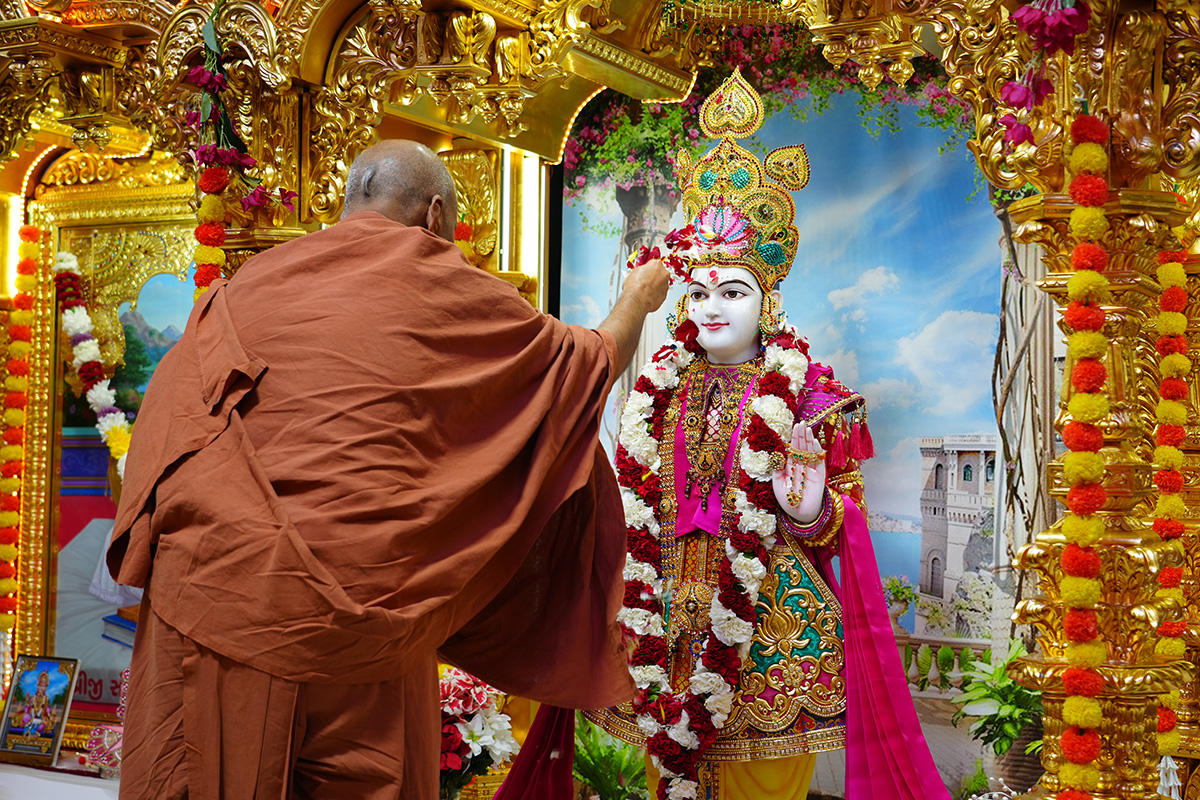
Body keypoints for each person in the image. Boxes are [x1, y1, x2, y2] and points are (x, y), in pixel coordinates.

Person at [106, 139, 668, 800]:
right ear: (435, 216)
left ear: (348, 205)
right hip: (360, 619)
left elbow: (172, 420)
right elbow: (584, 367)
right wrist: (637, 298)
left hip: (215, 594)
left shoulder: (249, 282)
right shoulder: (437, 276)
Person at [586, 72, 951, 800]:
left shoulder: (808, 395)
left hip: (767, 633)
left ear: (769, 298)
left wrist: (812, 510)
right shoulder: (657, 390)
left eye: (733, 291)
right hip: (662, 621)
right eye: (698, 291)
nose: (711, 307)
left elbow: (843, 519)